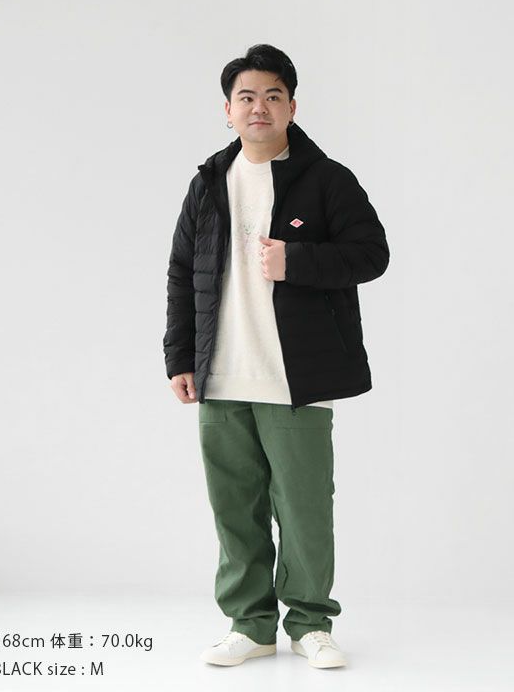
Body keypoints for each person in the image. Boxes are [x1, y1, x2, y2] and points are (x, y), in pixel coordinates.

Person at [163, 43, 389, 669]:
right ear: (227, 110)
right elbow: (182, 272)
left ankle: (311, 623)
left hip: (297, 376)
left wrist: (297, 261)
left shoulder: (327, 179)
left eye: (272, 96)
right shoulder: (208, 184)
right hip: (221, 374)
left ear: (292, 106)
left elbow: (372, 254)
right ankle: (251, 624)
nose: (258, 107)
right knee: (235, 509)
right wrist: (180, 356)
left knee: (304, 508)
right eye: (246, 97)